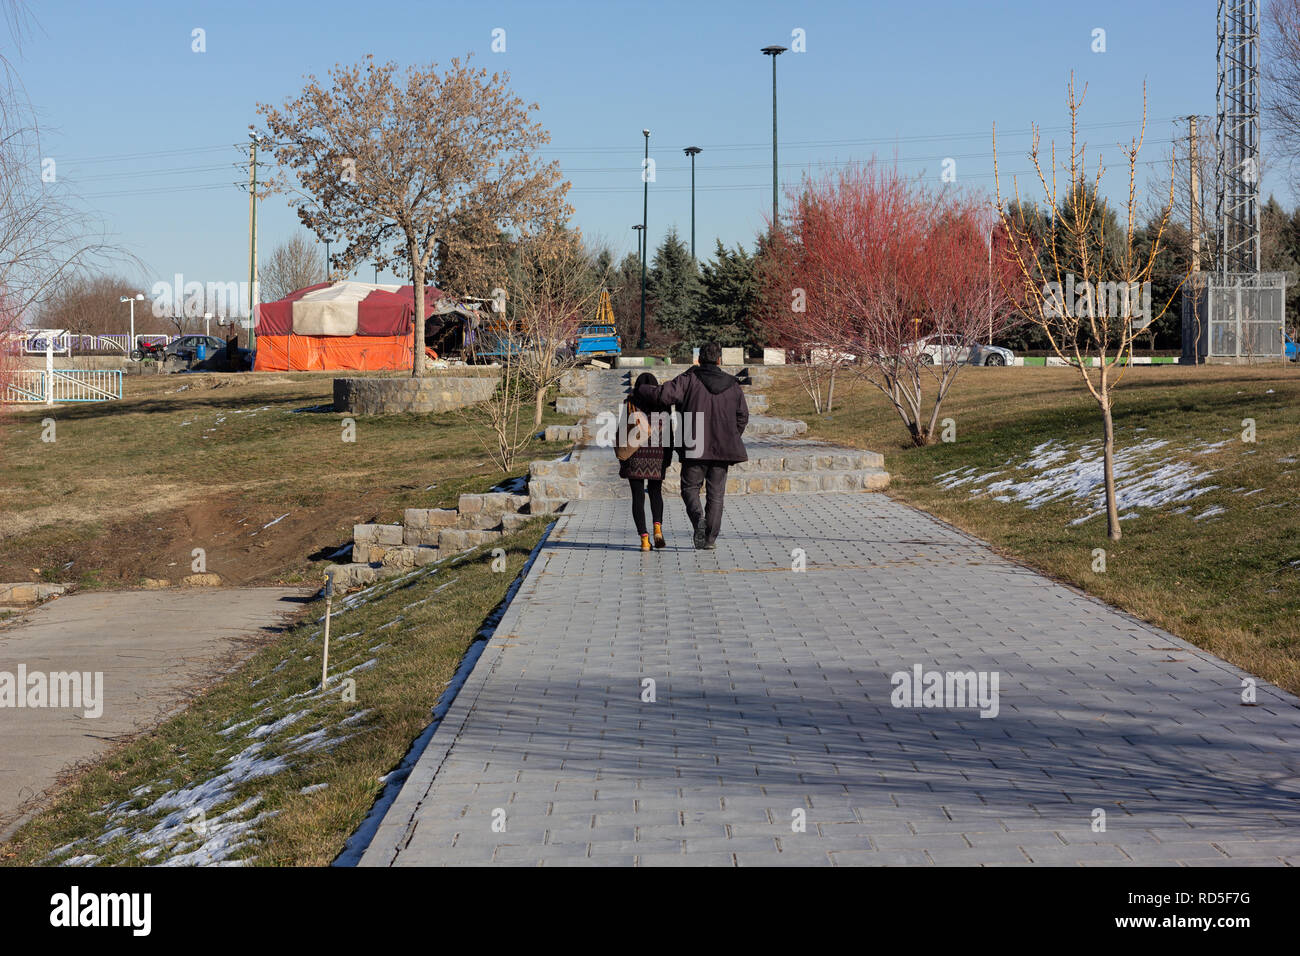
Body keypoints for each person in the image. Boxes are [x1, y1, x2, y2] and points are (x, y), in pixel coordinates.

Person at [635, 342, 748, 550]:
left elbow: (663, 395)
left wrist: (642, 388)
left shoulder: (689, 379)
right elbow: (743, 416)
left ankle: (698, 521)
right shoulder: (733, 385)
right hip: (722, 449)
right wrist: (730, 436)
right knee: (716, 495)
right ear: (719, 360)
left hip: (694, 446)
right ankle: (709, 539)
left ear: (698, 359)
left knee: (690, 488)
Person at [618, 371, 674, 551]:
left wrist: (622, 460)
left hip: (635, 456)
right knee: (656, 492)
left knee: (638, 497)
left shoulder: (629, 403)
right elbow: (669, 434)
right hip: (658, 455)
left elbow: (621, 434)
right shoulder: (663, 405)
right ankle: (658, 528)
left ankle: (644, 540)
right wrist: (668, 456)